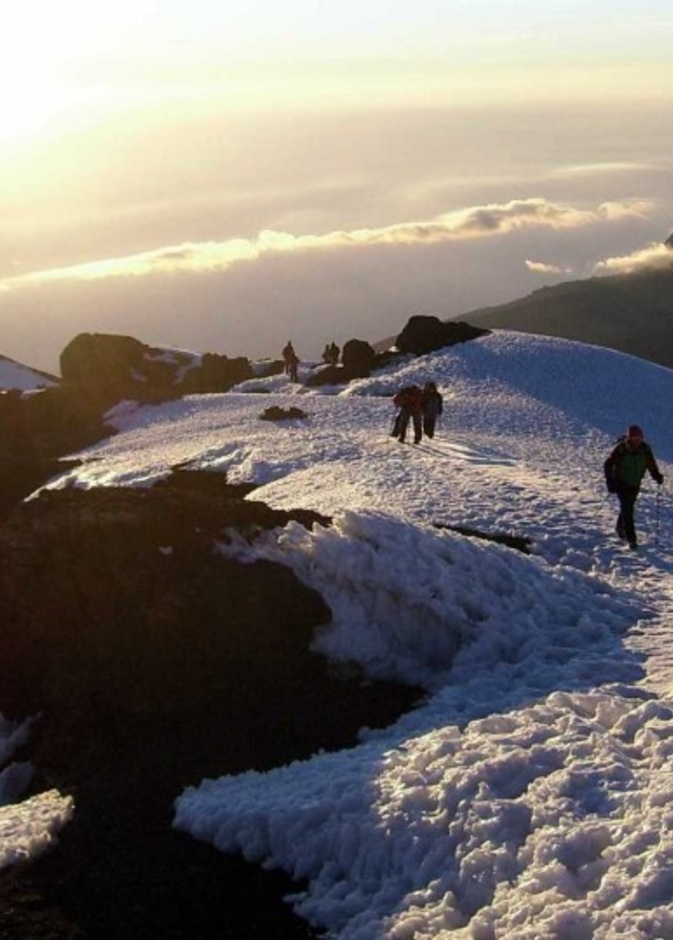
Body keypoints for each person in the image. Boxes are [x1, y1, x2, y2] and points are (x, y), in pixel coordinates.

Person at [604, 424, 663, 550]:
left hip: (635, 483)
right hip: (621, 482)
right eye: (635, 438)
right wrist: (610, 482)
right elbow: (608, 465)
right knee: (628, 509)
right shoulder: (621, 449)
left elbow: (651, 464)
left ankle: (619, 527)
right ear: (630, 438)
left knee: (627, 507)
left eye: (639, 438)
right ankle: (632, 539)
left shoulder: (645, 449)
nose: (637, 441)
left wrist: (657, 476)